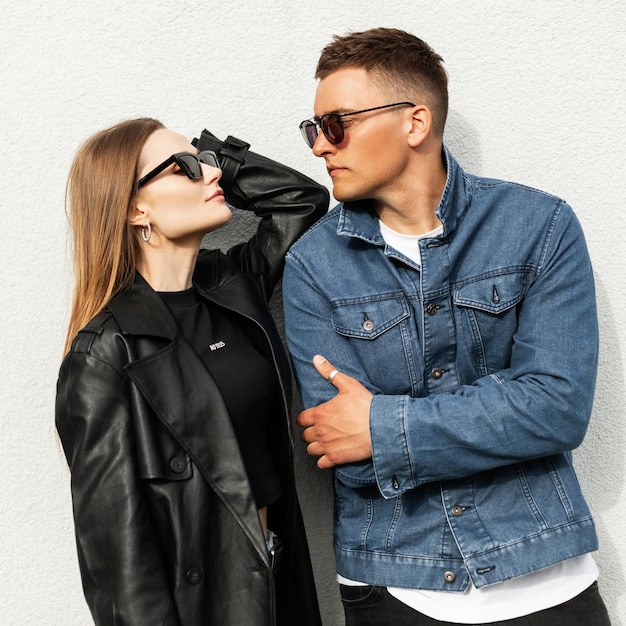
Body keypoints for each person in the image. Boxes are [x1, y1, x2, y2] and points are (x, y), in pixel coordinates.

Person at [283, 27, 612, 625]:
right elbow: (344, 450)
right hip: (394, 586)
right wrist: (499, 412)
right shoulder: (312, 265)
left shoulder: (538, 226)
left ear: (414, 123)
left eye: (335, 125)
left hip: (546, 581)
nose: (319, 147)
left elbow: (558, 407)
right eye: (312, 130)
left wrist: (384, 422)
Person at [55, 117, 328, 625]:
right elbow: (119, 567)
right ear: (136, 209)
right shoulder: (105, 355)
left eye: (204, 162)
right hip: (208, 606)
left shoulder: (231, 284)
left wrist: (213, 157)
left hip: (281, 576)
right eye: (183, 167)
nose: (207, 174)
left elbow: (302, 201)